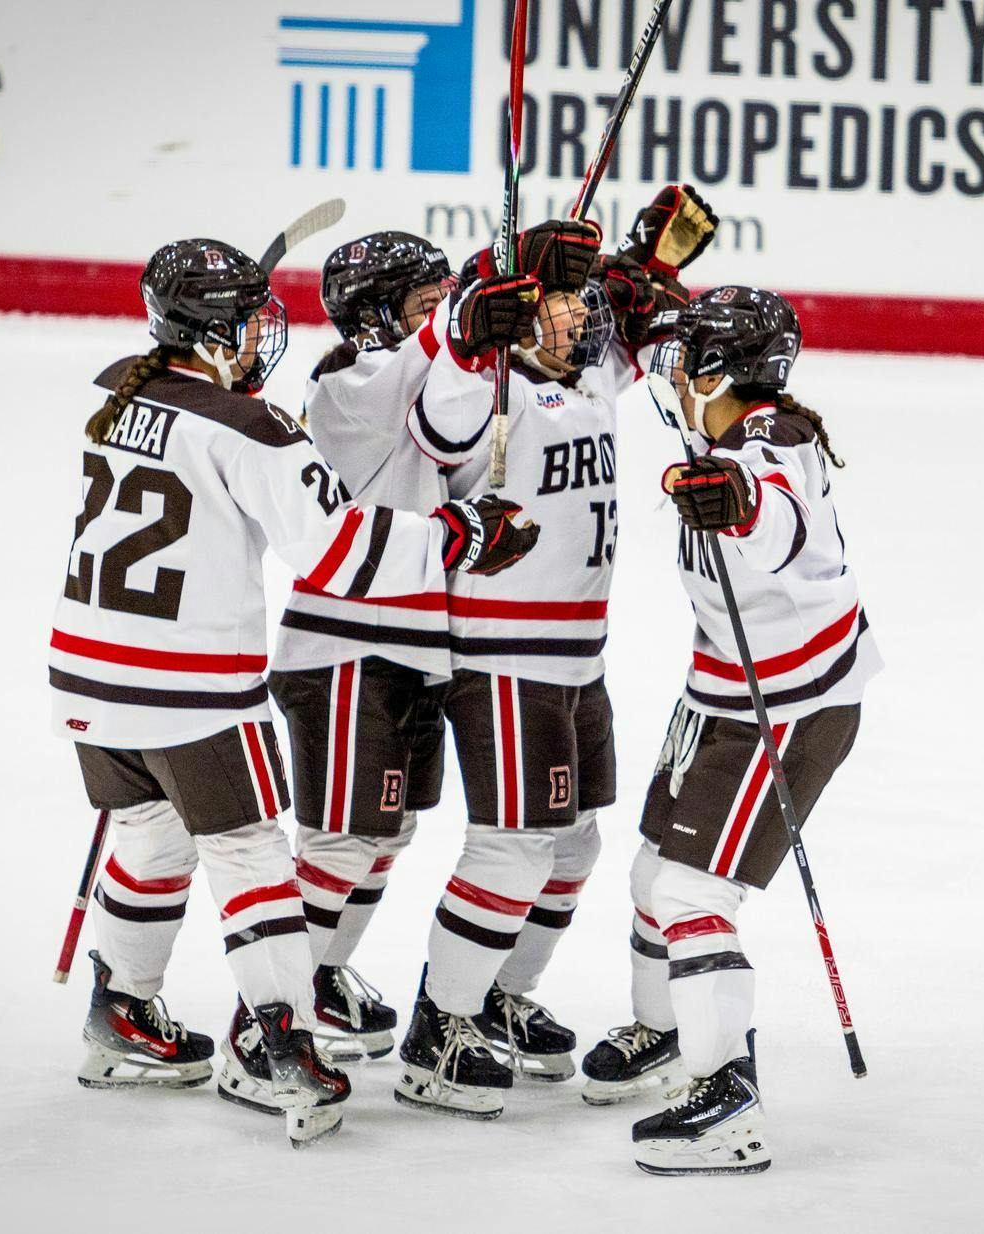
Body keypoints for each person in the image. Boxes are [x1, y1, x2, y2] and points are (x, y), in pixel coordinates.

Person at [49, 237, 536, 1146]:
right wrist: (459, 537)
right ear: (220, 325)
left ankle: (120, 1010)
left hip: (89, 673)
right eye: (248, 319)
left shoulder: (117, 395)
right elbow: (336, 551)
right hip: (188, 688)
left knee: (153, 840)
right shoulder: (250, 427)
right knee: (249, 857)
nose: (262, 336)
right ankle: (280, 1044)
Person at [392, 187, 718, 1120]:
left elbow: (662, 337)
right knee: (515, 844)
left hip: (578, 661)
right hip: (501, 657)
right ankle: (437, 1029)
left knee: (573, 842)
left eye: (581, 300)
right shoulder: (483, 381)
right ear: (515, 309)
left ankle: (493, 991)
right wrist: (479, 319)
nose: (584, 314)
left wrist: (646, 269)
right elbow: (437, 426)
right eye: (561, 300)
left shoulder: (587, 374)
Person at [587, 286, 880, 1177]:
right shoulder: (731, 430)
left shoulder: (770, 444)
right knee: (652, 875)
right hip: (721, 691)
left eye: (685, 357)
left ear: (718, 368)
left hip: (783, 706)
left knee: (688, 893)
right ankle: (665, 1034)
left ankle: (728, 1102)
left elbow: (781, 518)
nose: (671, 370)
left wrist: (739, 504)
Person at [262, 231, 460, 1062]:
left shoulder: (409, 368)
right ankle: (268, 1021)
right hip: (346, 653)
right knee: (342, 840)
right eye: (426, 304)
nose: (443, 318)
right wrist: (477, 305)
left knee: (389, 830)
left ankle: (321, 977)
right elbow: (429, 358)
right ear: (375, 317)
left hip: (409, 647)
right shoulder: (349, 384)